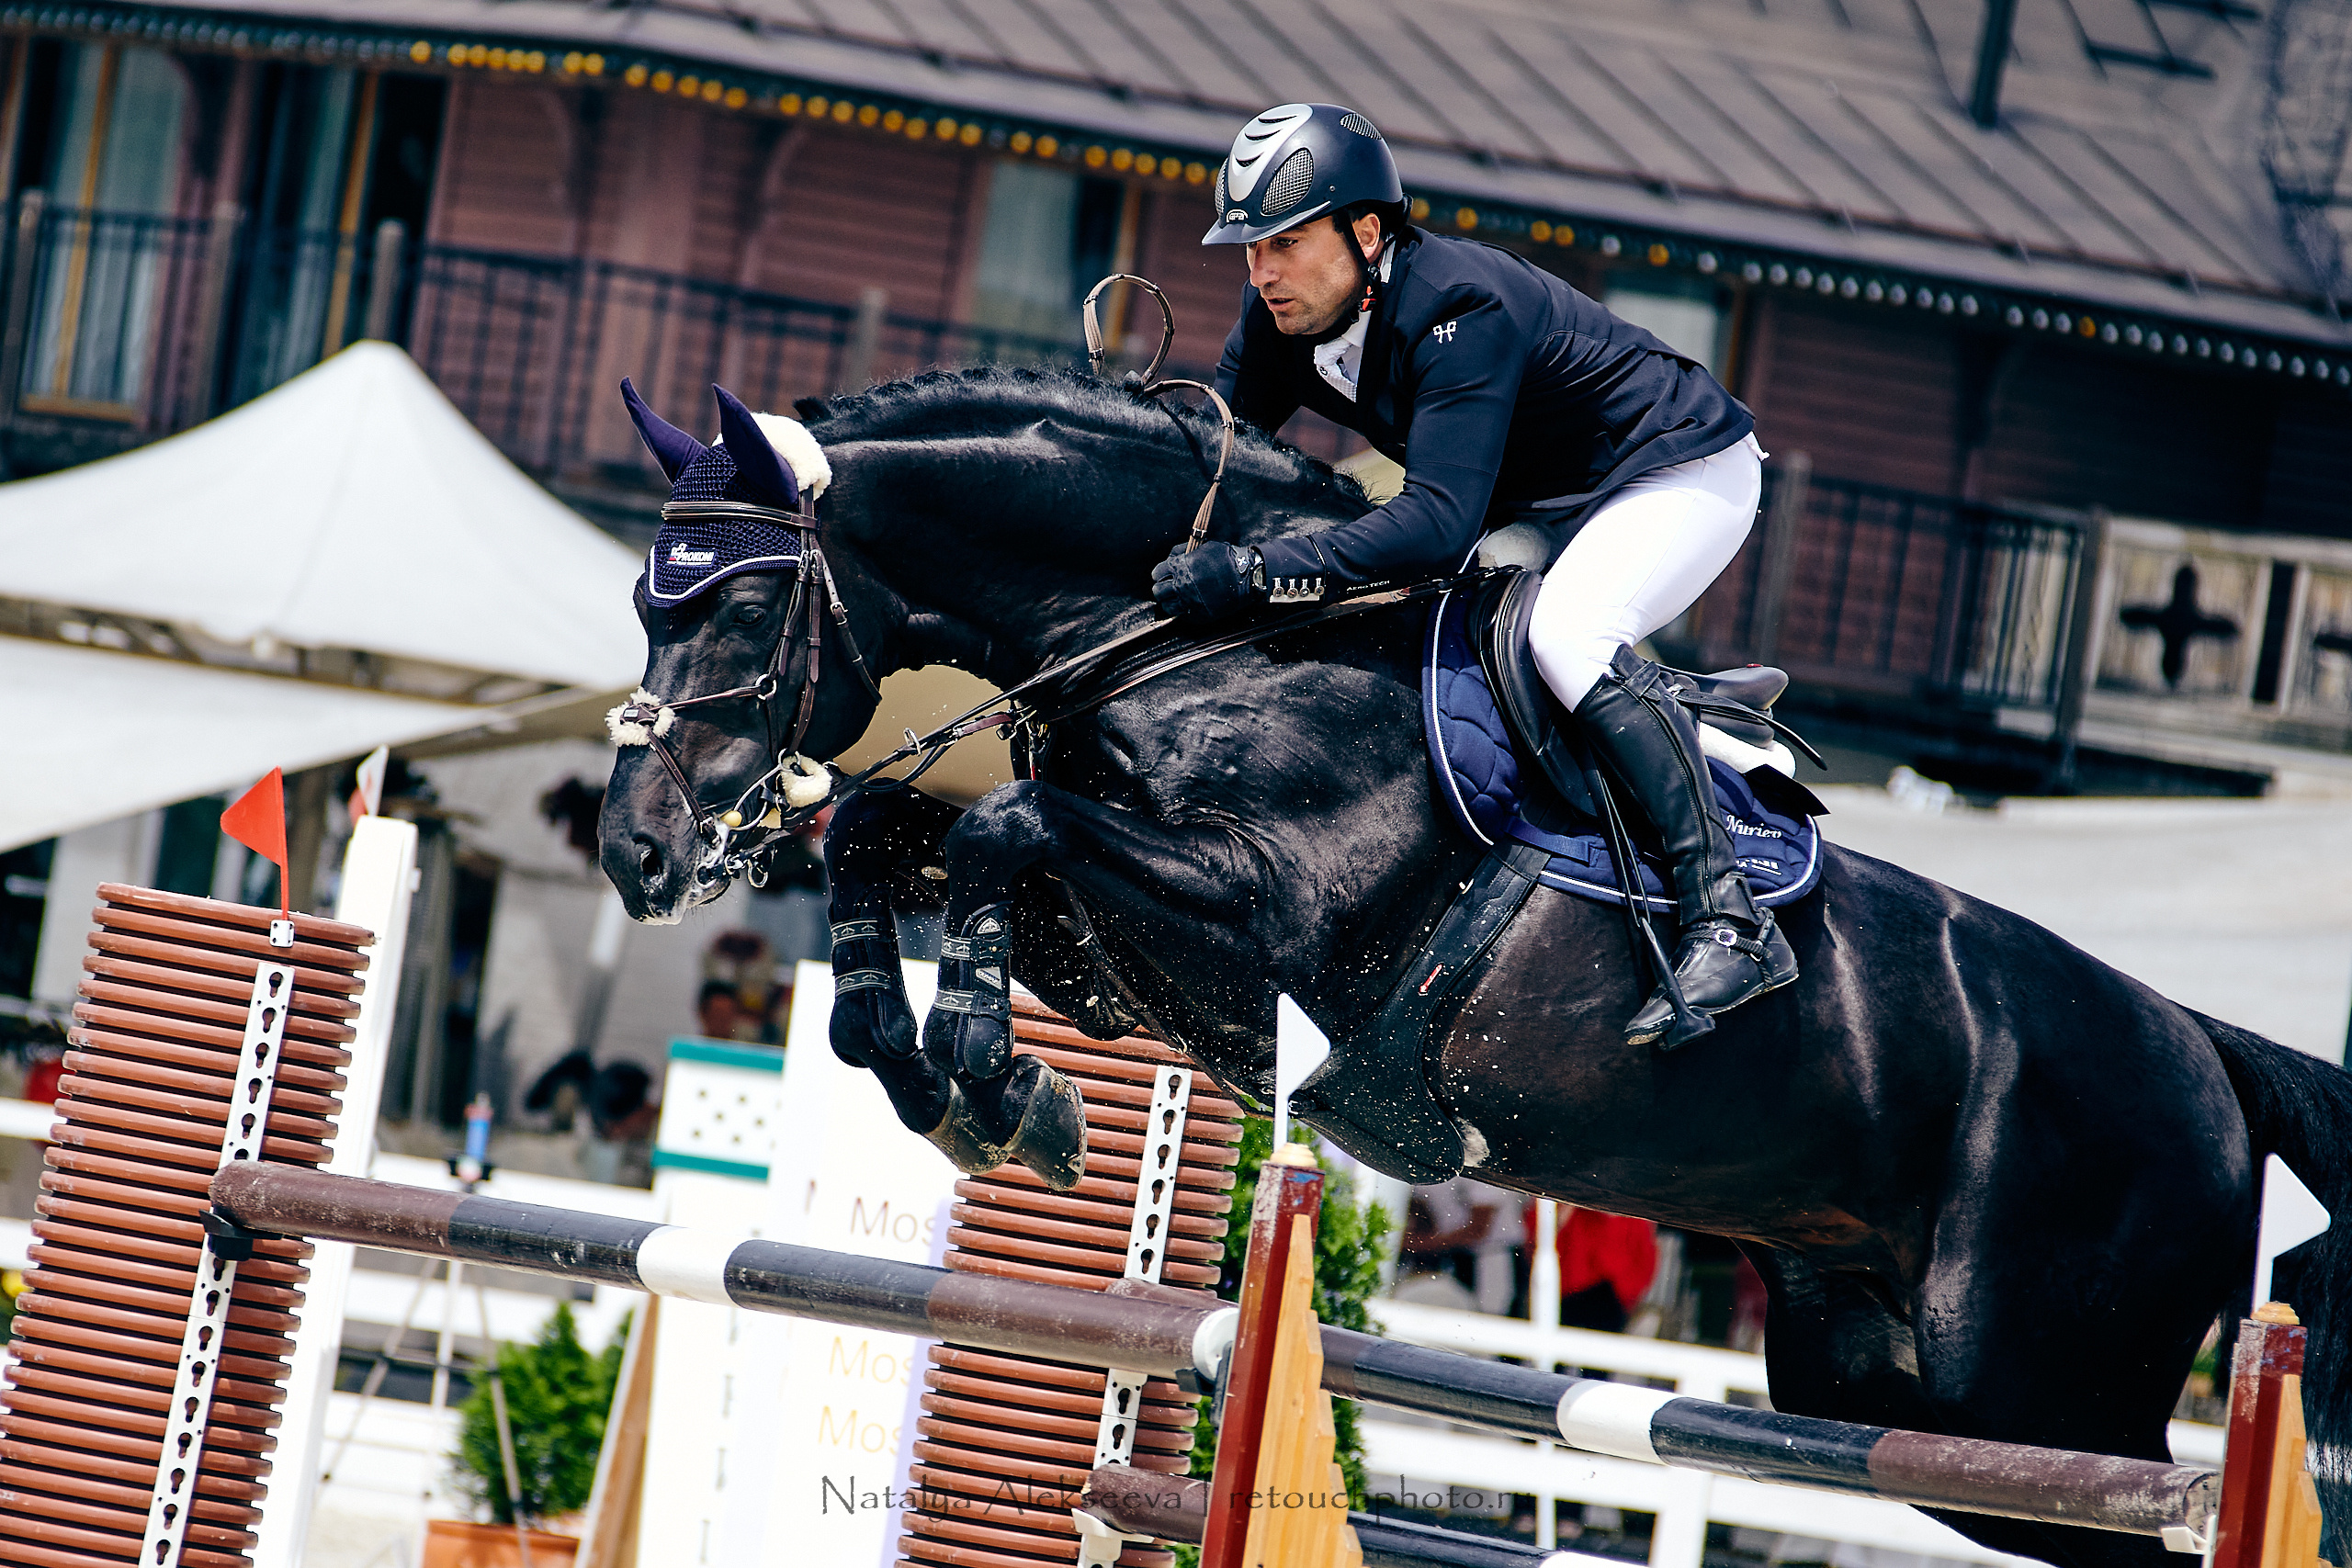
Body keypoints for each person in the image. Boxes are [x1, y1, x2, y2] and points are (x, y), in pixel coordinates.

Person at [1152, 103, 1795, 1043]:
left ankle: (1731, 916)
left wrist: (1254, 571)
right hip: (1534, 500)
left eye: (1285, 243)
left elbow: (1435, 527)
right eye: (1249, 249)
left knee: (1566, 635)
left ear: (1366, 232)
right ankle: (1686, 732)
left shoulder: (1456, 306)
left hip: (1675, 468)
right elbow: (1216, 465)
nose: (1262, 272)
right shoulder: (1282, 311)